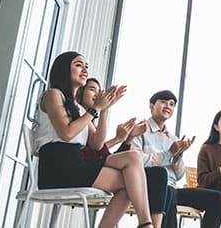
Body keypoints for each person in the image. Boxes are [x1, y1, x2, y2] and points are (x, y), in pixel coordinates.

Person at [34, 51, 155, 228]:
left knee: (133, 165)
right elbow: (66, 134)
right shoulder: (53, 95)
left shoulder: (78, 108)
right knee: (131, 182)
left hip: (75, 164)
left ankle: (145, 223)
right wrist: (94, 109)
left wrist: (104, 110)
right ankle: (146, 224)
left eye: (86, 67)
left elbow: (97, 144)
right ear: (63, 69)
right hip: (57, 167)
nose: (85, 70)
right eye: (78, 65)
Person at [76, 78, 171, 225]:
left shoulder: (91, 122)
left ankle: (149, 224)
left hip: (96, 168)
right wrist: (118, 138)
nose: (98, 93)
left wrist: (127, 138)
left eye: (99, 90)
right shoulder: (80, 116)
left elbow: (104, 156)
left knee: (159, 176)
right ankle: (147, 224)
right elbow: (95, 155)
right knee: (144, 177)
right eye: (92, 89)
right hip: (81, 170)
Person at [130, 90, 221, 228]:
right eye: (163, 102)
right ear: (151, 105)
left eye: (172, 104)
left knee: (218, 199)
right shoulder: (139, 130)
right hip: (148, 186)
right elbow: (135, 161)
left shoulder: (173, 139)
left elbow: (179, 175)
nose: (168, 106)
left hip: (172, 188)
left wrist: (178, 156)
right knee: (168, 191)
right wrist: (168, 153)